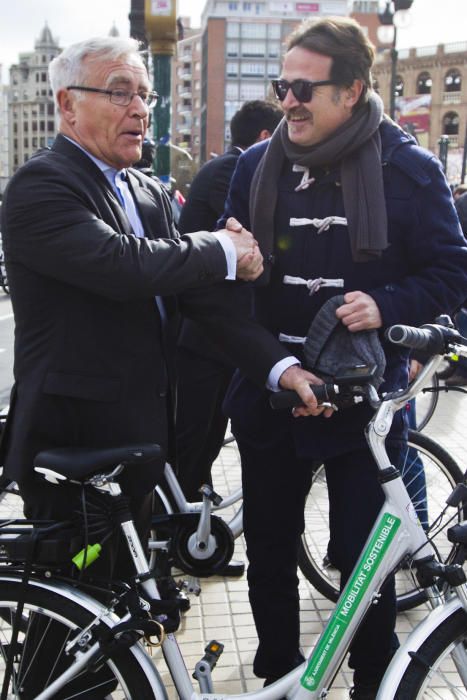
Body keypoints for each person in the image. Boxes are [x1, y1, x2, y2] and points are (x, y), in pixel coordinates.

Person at [218, 17, 467, 699]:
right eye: (282, 85)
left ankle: (371, 681)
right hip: (272, 392)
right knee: (268, 545)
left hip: (364, 403)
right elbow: (231, 288)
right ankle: (276, 673)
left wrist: (387, 303)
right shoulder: (253, 165)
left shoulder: (407, 169)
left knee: (366, 560)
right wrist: (233, 255)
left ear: (352, 90)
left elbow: (450, 272)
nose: (288, 100)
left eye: (304, 88)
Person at [0, 36, 316, 570]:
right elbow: (121, 264)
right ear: (67, 104)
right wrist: (221, 248)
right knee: (78, 599)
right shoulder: (41, 184)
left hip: (143, 437)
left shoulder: (147, 191)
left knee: (127, 595)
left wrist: (281, 369)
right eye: (120, 92)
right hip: (74, 446)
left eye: (145, 95)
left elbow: (200, 303)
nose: (141, 109)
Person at [176, 100, 283, 511]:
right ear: (263, 138)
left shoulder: (227, 167)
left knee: (206, 437)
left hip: (220, 337)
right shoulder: (233, 170)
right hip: (206, 336)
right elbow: (253, 240)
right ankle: (180, 531)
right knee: (195, 437)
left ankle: (193, 525)